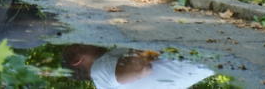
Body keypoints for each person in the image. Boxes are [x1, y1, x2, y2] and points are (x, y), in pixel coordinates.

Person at [62, 44, 214, 88]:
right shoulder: (98, 71)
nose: (85, 41)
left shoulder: (104, 79)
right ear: (76, 59)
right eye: (77, 44)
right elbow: (140, 69)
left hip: (206, 60)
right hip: (201, 54)